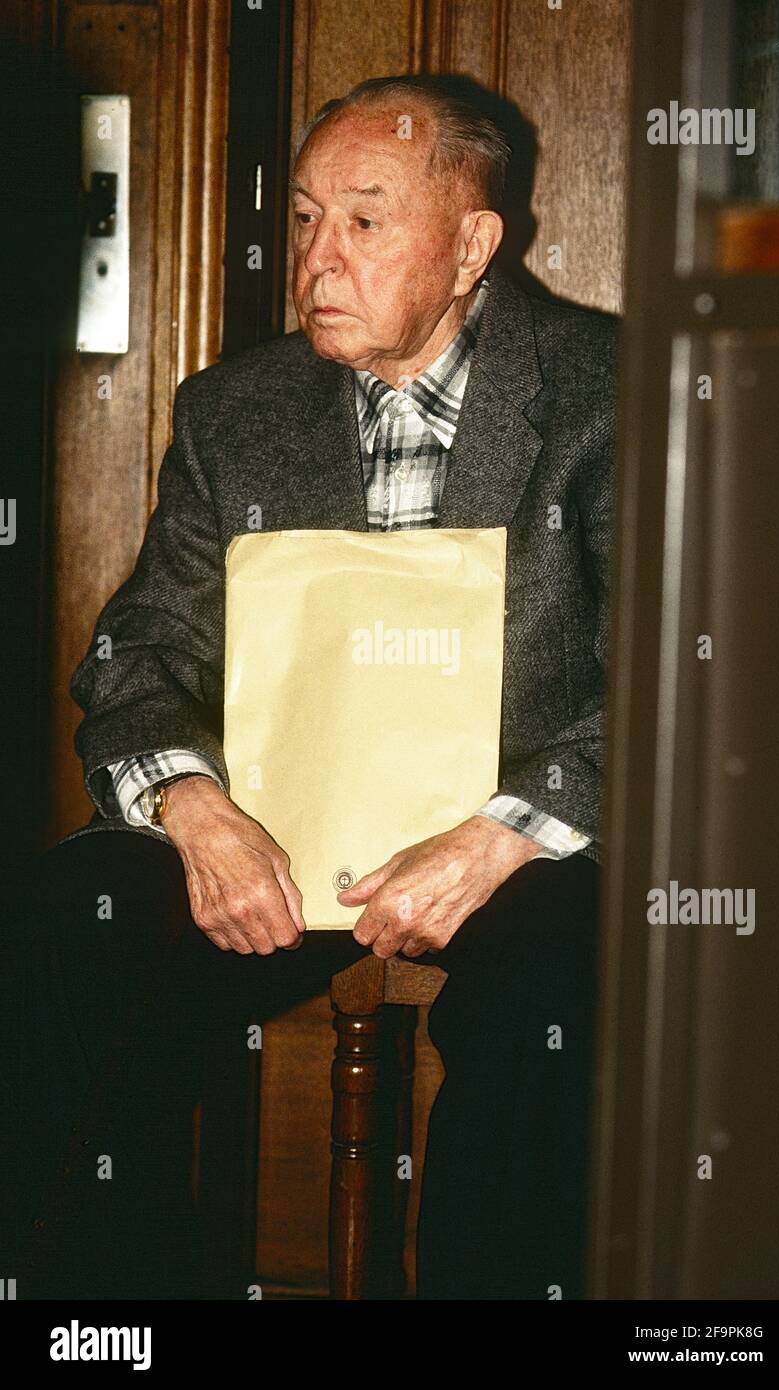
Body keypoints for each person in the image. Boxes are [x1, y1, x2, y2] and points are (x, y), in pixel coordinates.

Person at [3, 73, 618, 1300]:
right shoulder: (239, 409)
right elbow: (138, 651)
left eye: (365, 220)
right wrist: (193, 805)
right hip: (282, 836)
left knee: (563, 980)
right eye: (300, 219)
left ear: (471, 247)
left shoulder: (614, 392)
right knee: (72, 924)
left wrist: (499, 838)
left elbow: (691, 677)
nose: (316, 259)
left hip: (515, 851)